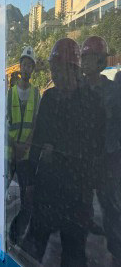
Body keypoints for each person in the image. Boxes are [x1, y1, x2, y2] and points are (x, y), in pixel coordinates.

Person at [21, 38, 105, 266]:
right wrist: (30, 183)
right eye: (53, 69)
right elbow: (38, 142)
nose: (54, 75)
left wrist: (57, 150)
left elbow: (96, 147)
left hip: (77, 195)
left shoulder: (92, 102)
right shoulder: (49, 99)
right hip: (47, 190)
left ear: (73, 69)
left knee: (74, 253)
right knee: (31, 247)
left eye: (58, 69)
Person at [80, 36, 121, 263]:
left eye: (89, 57)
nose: (84, 61)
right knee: (83, 203)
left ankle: (116, 251)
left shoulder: (113, 91)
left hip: (108, 159)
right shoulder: (79, 89)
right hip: (85, 159)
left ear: (100, 61)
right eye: (83, 57)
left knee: (111, 208)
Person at [7, 46, 41, 244]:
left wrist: (26, 144)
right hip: (11, 152)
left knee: (27, 197)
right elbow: (5, 121)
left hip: (25, 154)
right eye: (24, 64)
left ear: (33, 69)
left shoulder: (36, 94)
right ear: (20, 67)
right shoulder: (10, 93)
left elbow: (36, 122)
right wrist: (15, 145)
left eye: (30, 65)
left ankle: (16, 233)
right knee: (1, 191)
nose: (27, 68)